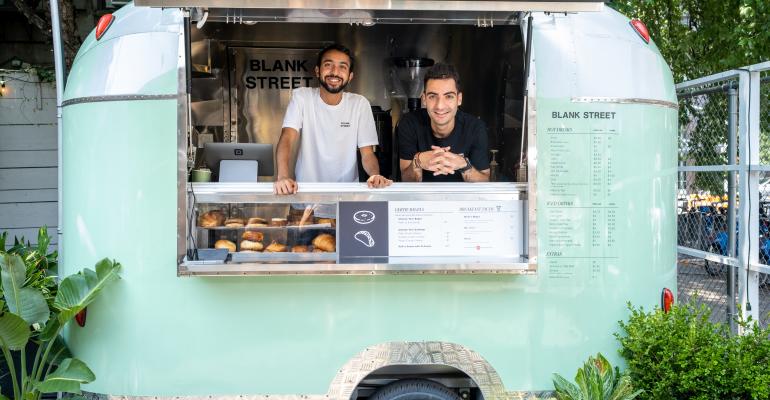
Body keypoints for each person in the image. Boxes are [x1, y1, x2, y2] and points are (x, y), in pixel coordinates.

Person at [274, 43, 392, 195]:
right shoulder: (302, 97)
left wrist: (374, 175)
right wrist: (283, 176)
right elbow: (287, 138)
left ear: (350, 76)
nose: (335, 72)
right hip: (304, 196)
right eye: (328, 65)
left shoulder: (359, 103)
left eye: (342, 67)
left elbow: (367, 153)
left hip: (346, 197)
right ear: (317, 71)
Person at [397, 63, 490, 182]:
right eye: (432, 96)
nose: (440, 106)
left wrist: (464, 165)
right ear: (424, 99)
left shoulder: (475, 128)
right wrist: (417, 161)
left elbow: (485, 182)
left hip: (463, 199)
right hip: (422, 199)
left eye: (449, 96)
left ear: (459, 99)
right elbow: (406, 180)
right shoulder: (409, 124)